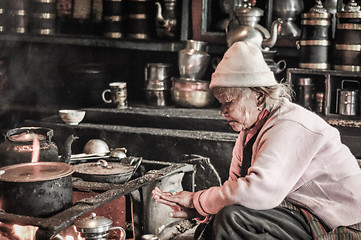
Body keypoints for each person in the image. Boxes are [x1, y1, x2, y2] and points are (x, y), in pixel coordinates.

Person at [152, 41, 361, 240]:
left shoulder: (290, 124)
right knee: (219, 221)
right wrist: (199, 210)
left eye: (229, 102)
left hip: (341, 219)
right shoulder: (250, 131)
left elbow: (254, 193)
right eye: (220, 103)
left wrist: (196, 200)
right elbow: (235, 190)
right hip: (304, 211)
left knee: (232, 219)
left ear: (259, 97)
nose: (223, 111)